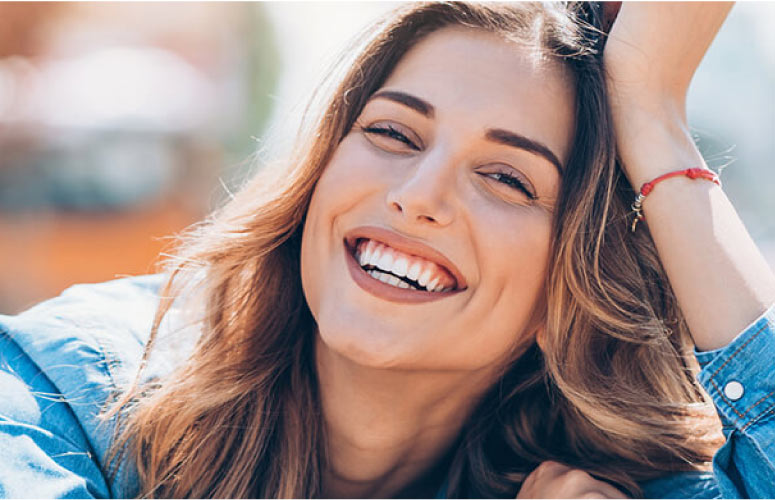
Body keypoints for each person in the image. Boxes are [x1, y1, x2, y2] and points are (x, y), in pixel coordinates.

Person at [1, 2, 773, 498]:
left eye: (506, 178)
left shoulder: (591, 482)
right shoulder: (68, 389)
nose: (418, 196)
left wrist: (649, 107)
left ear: (569, 288)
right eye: (392, 133)